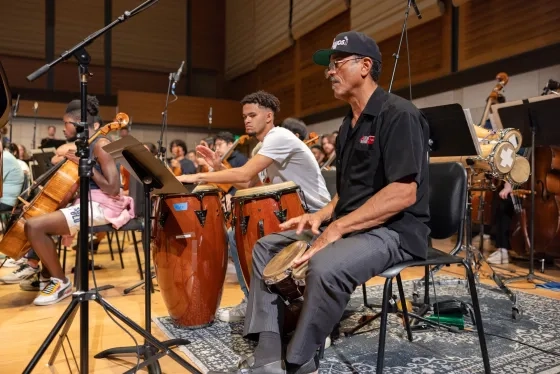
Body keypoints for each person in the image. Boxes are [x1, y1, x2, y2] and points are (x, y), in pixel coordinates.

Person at [210, 31, 430, 374]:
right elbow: (350, 189)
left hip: (395, 230)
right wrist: (322, 215)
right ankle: (268, 352)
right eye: (330, 65)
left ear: (365, 66)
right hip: (353, 225)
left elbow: (403, 193)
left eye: (337, 63)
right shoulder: (347, 126)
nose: (329, 71)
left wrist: (339, 226)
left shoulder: (399, 115)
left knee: (325, 266)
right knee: (265, 247)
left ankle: (300, 360)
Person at [177, 90, 331, 324]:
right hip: (293, 213)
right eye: (244, 116)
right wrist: (218, 167)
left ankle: (299, 313)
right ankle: (252, 300)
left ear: (268, 116)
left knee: (252, 240)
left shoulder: (280, 136)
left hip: (316, 216)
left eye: (252, 115)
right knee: (235, 233)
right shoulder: (264, 146)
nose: (247, 120)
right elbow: (251, 183)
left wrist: (195, 177)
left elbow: (246, 174)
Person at [22, 96, 133, 306]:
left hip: (104, 205)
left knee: (34, 226)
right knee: (38, 220)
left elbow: (112, 187)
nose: (63, 128)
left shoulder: (101, 144)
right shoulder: (85, 146)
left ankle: (61, 282)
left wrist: (87, 167)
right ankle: (47, 276)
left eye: (66, 123)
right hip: (88, 202)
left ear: (79, 123)